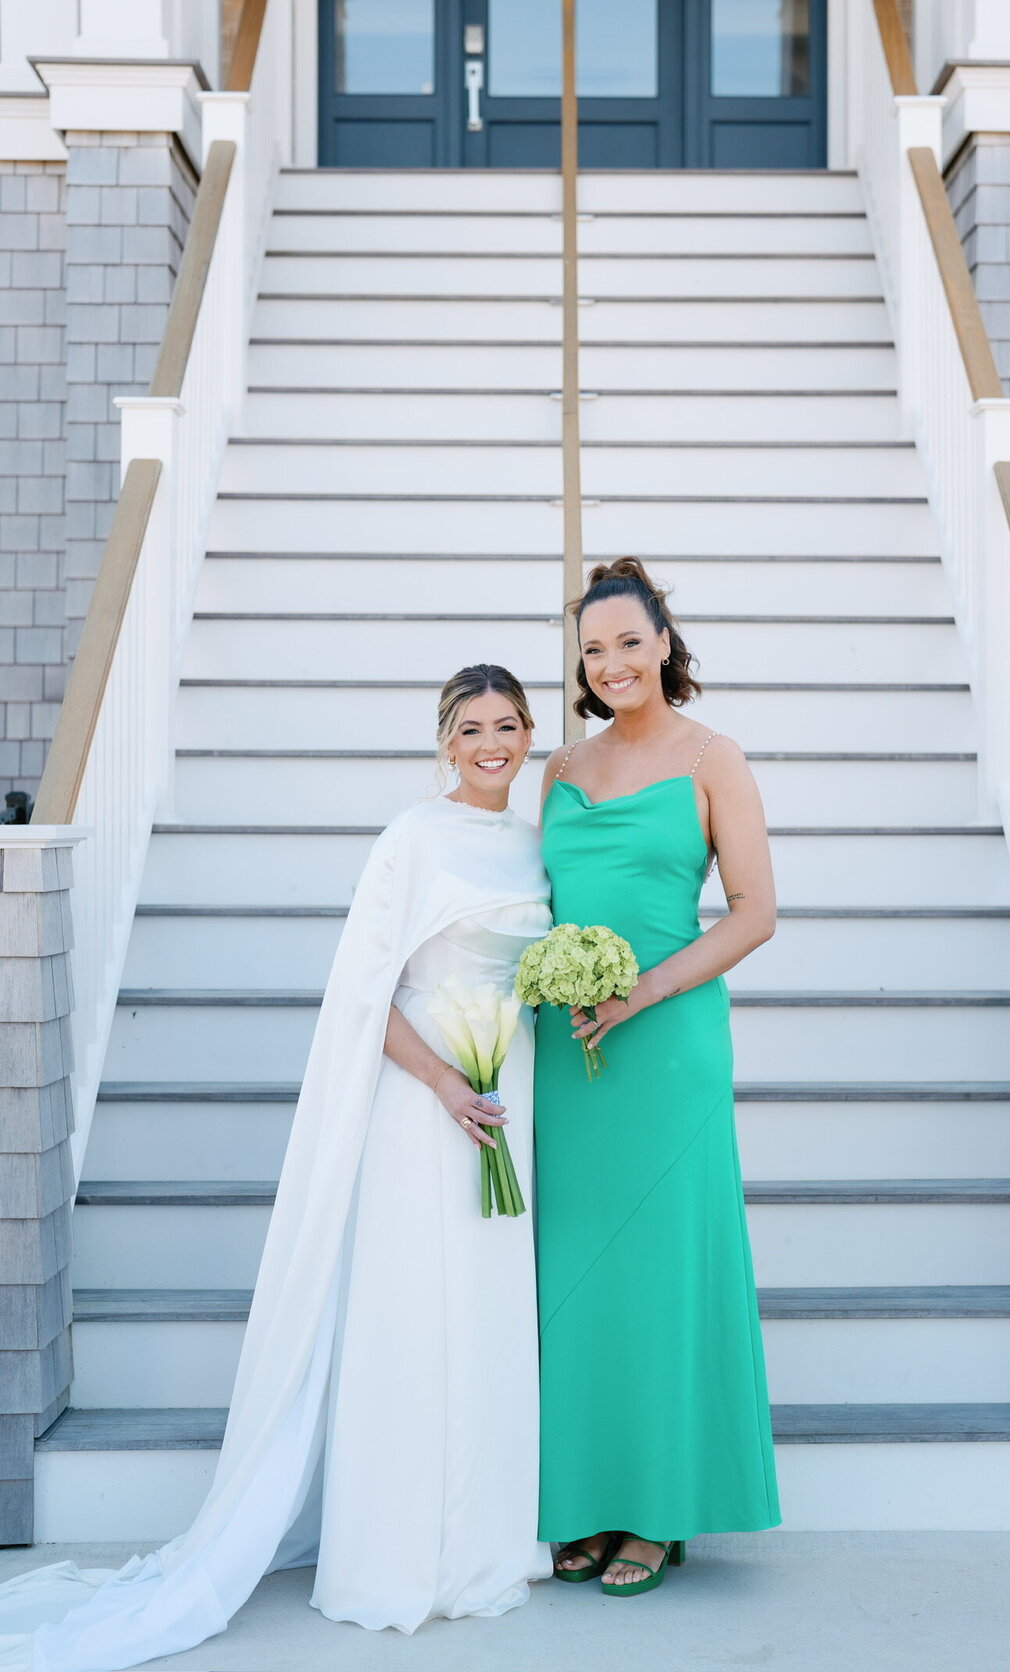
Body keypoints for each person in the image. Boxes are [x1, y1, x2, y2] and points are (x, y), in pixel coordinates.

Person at [0, 666, 550, 1670]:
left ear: (529, 734)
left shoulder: (534, 843)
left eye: (507, 725)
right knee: (414, 1316)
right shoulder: (410, 838)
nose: (491, 744)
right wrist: (443, 1082)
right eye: (471, 727)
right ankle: (394, 1553)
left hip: (509, 1092)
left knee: (488, 1311)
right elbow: (363, 994)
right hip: (427, 1102)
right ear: (445, 739)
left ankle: (484, 1542)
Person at [535, 558, 782, 1597]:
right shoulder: (557, 767)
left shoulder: (715, 758)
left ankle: (658, 1511)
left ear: (665, 645)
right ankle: (584, 1497)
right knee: (575, 1275)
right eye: (594, 650)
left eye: (629, 642)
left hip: (668, 1043)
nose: (612, 663)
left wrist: (642, 992)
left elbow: (756, 913)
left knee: (662, 1272)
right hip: (565, 1052)